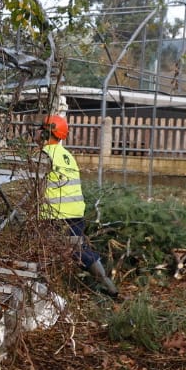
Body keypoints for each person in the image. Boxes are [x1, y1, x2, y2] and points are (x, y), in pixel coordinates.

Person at [38, 114, 116, 294]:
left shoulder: (44, 156)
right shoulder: (67, 155)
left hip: (55, 214)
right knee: (77, 248)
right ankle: (105, 282)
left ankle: (104, 284)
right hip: (74, 212)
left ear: (45, 134)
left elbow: (37, 187)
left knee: (51, 250)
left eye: (40, 130)